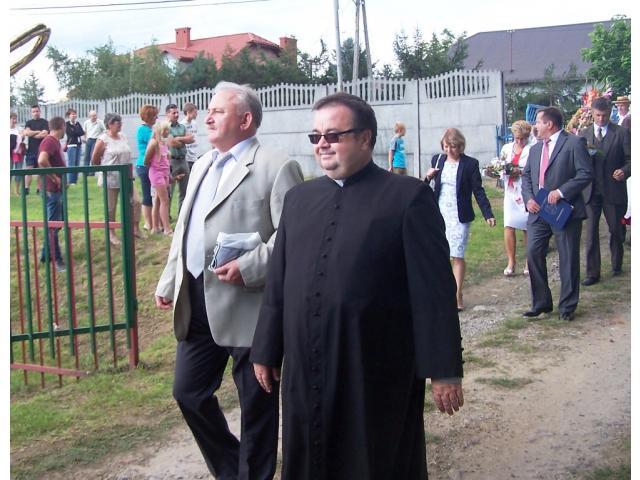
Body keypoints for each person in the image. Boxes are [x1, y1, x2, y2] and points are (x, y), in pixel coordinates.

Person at [251, 92, 464, 480]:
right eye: (316, 137)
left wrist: (444, 370)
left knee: (373, 458)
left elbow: (433, 292)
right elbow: (279, 282)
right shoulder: (299, 200)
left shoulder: (407, 197)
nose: (322, 144)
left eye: (333, 135)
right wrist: (266, 347)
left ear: (365, 138)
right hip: (305, 365)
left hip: (375, 365)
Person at [154, 81, 303, 480]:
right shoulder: (203, 164)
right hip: (197, 299)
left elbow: (293, 236)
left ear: (246, 119)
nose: (208, 118)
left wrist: (251, 267)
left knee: (256, 403)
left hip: (250, 306)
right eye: (209, 111)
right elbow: (186, 228)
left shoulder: (276, 166)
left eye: (218, 111)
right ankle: (233, 469)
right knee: (188, 393)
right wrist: (169, 280)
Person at [521, 106, 592, 321]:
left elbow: (585, 173)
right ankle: (541, 303)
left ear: (549, 124)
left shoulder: (573, 143)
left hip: (564, 210)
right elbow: (526, 177)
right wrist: (529, 198)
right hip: (538, 211)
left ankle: (567, 306)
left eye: (538, 122)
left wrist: (561, 192)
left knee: (568, 257)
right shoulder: (535, 149)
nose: (535, 126)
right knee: (533, 252)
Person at [425, 127, 496, 311]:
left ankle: (457, 294)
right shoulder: (438, 160)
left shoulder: (470, 164)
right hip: (440, 212)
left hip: (459, 214)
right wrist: (428, 176)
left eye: (453, 147)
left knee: (457, 254)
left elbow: (478, 190)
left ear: (461, 146)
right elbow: (426, 187)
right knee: (441, 254)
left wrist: (488, 213)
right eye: (446, 146)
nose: (449, 150)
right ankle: (443, 292)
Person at [578, 97, 631, 286]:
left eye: (605, 115)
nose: (601, 119)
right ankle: (592, 273)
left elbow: (632, 159)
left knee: (615, 230)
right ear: (592, 114)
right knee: (591, 233)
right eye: (598, 115)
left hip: (613, 189)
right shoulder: (583, 134)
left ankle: (616, 264)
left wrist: (624, 171)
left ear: (610, 113)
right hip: (591, 191)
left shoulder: (622, 133)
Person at [91, 113, 143, 245]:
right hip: (110, 178)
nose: (119, 124)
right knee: (111, 207)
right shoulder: (103, 140)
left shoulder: (123, 136)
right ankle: (111, 233)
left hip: (126, 176)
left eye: (120, 122)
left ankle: (135, 228)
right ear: (109, 124)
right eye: (116, 122)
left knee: (136, 201)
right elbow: (95, 159)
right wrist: (105, 169)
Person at [500, 120, 533, 276]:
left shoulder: (532, 149)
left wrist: (520, 172)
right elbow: (501, 166)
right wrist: (498, 171)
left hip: (525, 191)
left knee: (527, 227)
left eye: (523, 139)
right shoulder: (506, 148)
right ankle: (511, 261)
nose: (519, 141)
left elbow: (533, 169)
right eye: (517, 138)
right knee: (509, 224)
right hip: (510, 192)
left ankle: (529, 261)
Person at [37, 116, 67, 273]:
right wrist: (55, 178)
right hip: (51, 190)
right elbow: (42, 160)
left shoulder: (54, 142)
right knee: (53, 226)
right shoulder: (49, 141)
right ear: (62, 126)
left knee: (55, 223)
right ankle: (57, 260)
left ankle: (45, 256)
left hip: (54, 189)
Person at [144, 121, 172, 235]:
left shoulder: (163, 142)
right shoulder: (154, 143)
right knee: (165, 201)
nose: (167, 132)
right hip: (157, 174)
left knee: (158, 200)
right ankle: (167, 229)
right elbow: (146, 160)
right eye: (166, 129)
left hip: (165, 173)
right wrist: (156, 167)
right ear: (160, 130)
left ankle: (155, 227)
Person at [166, 103, 194, 216]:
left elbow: (191, 139)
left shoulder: (182, 127)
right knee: (169, 190)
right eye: (174, 113)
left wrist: (178, 138)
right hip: (171, 161)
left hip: (183, 160)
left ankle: (181, 214)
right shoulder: (166, 128)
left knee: (184, 190)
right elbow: (172, 143)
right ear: (168, 114)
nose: (177, 115)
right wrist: (183, 140)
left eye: (177, 112)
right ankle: (166, 216)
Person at [136, 104, 159, 232]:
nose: (156, 118)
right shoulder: (143, 130)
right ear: (148, 116)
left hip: (152, 165)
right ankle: (148, 223)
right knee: (147, 194)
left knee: (154, 194)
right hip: (144, 165)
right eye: (154, 115)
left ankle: (155, 222)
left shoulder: (152, 129)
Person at [23, 105, 49, 195]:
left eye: (37, 111)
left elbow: (44, 134)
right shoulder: (29, 123)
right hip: (31, 151)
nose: (35, 113)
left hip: (42, 150)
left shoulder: (44, 122)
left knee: (40, 171)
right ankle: (26, 188)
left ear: (40, 112)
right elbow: (27, 132)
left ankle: (39, 188)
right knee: (28, 170)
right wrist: (38, 132)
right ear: (31, 113)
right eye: (33, 112)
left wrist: (32, 134)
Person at [65, 108, 85, 185]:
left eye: (75, 114)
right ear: (69, 115)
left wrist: (76, 131)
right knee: (71, 163)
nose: (74, 116)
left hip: (78, 145)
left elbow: (82, 132)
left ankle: (75, 180)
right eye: (72, 114)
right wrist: (76, 131)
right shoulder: (67, 124)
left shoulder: (78, 123)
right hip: (71, 145)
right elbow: (70, 133)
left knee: (77, 163)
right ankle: (70, 181)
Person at [181, 102, 200, 171]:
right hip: (187, 158)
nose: (196, 114)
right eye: (195, 112)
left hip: (195, 157)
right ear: (188, 112)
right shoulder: (182, 125)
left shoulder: (195, 123)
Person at [11, 112, 25, 195]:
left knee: (18, 171)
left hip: (18, 153)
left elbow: (23, 137)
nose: (15, 120)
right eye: (13, 118)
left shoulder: (19, 129)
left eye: (15, 118)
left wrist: (22, 135)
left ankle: (16, 191)